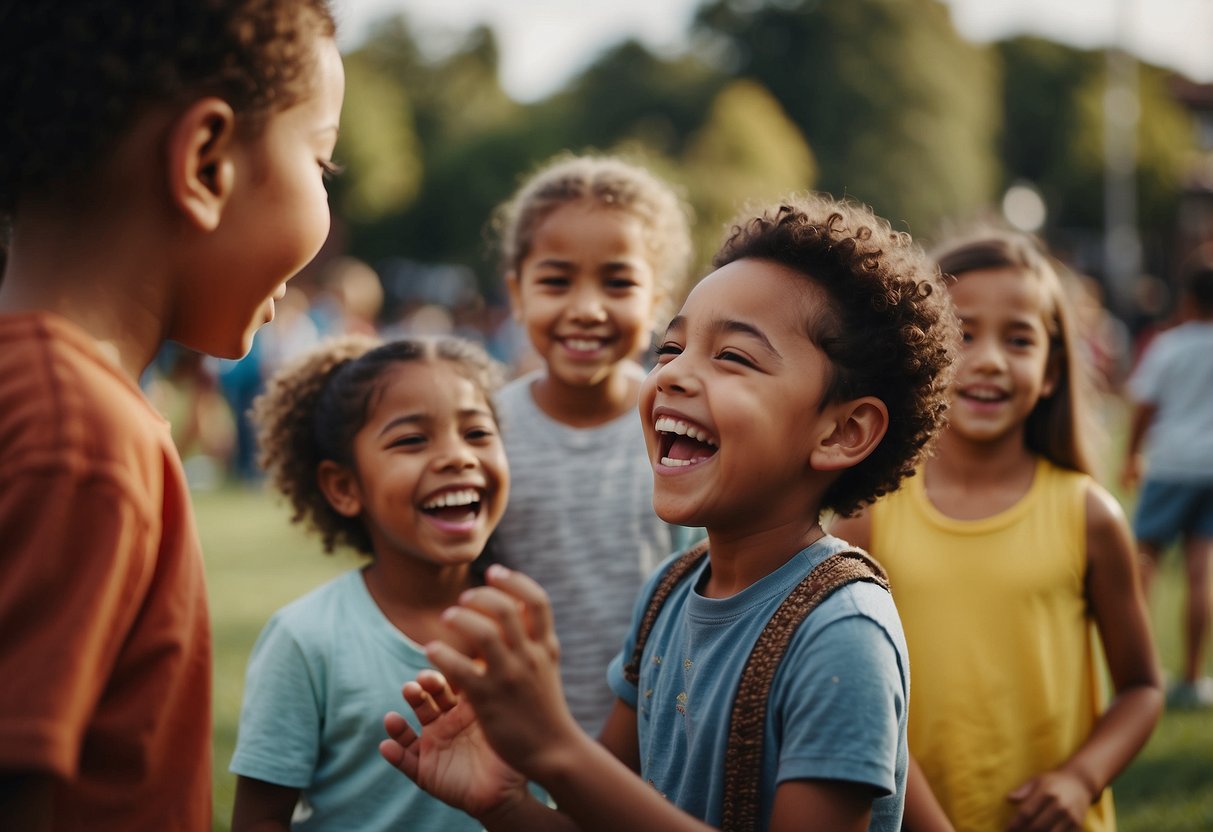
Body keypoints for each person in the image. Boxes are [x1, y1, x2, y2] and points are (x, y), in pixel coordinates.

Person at [379, 194, 959, 832]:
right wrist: (504, 805)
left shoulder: (842, 632)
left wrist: (557, 748)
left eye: (733, 357)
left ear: (842, 431)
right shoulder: (670, 592)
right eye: (670, 349)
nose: (674, 376)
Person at [0, 2, 343, 829]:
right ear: (206, 160)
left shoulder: (55, 405)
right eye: (322, 164)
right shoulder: (77, 437)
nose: (324, 197)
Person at [832, 230, 1163, 832]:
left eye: (1018, 339)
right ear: (921, 350)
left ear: (1052, 371)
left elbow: (1142, 688)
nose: (988, 359)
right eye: (964, 333)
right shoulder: (867, 515)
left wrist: (1080, 779)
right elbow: (856, 703)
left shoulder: (1089, 515)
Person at [229, 335, 514, 831]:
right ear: (344, 487)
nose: (458, 457)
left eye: (476, 433)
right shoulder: (306, 640)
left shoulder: (523, 621)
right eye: (411, 440)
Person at [487, 153, 698, 735]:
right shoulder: (485, 433)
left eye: (618, 282)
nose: (585, 308)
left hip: (660, 742)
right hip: (519, 741)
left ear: (658, 299)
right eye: (556, 281)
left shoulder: (683, 427)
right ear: (517, 291)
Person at [1121, 248, 1213, 710]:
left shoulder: (1170, 345)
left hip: (1172, 465)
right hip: (1211, 470)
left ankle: (1140, 667)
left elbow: (1142, 405)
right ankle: (1194, 678)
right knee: (1202, 575)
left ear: (1188, 300)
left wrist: (1132, 456)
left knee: (1144, 565)